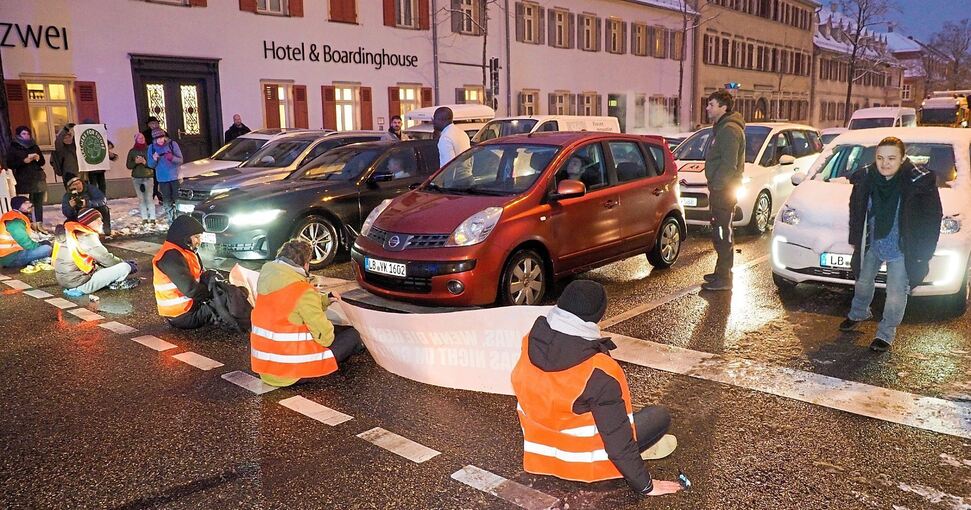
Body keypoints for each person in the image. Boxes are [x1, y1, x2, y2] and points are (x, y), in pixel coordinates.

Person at [511, 280, 682, 497]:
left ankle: (635, 456)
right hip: (583, 463)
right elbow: (617, 440)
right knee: (659, 415)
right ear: (598, 317)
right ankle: (637, 457)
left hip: (540, 452)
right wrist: (645, 485)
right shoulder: (599, 370)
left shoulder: (530, 341)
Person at [841, 137, 942, 352]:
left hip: (901, 248)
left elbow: (932, 218)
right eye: (880, 158)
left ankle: (885, 333)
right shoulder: (867, 179)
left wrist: (923, 253)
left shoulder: (918, 182)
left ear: (902, 158)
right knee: (862, 282)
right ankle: (858, 313)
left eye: (891, 158)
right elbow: (856, 210)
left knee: (895, 293)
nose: (885, 163)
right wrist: (856, 238)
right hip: (873, 243)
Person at [251, 239, 364, 387]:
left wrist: (324, 300)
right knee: (353, 335)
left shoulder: (268, 279)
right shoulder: (302, 291)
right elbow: (326, 339)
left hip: (266, 369)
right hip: (292, 372)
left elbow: (289, 306)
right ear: (305, 264)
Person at [701, 90, 745, 292]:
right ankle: (720, 272)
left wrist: (717, 185)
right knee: (719, 231)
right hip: (722, 189)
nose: (707, 108)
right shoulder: (722, 127)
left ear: (723, 107)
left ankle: (724, 277)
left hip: (724, 191)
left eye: (711, 105)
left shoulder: (729, 130)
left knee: (722, 233)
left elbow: (729, 164)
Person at [152, 215, 220, 329]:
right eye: (196, 237)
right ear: (185, 237)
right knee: (226, 302)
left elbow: (199, 276)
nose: (199, 241)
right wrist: (212, 296)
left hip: (190, 306)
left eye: (200, 237)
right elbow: (191, 290)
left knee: (217, 284)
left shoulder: (184, 251)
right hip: (183, 315)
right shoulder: (170, 257)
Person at [54, 208, 138, 296]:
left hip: (66, 279)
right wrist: (125, 264)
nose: (101, 222)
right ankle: (84, 289)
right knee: (124, 267)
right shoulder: (85, 236)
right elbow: (105, 258)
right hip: (77, 281)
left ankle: (110, 282)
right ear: (88, 222)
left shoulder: (72, 233)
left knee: (105, 268)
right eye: (97, 220)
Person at [6, 126, 47, 223]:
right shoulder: (14, 147)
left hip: (37, 179)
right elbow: (10, 163)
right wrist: (23, 161)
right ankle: (27, 223)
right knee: (24, 204)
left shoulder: (34, 146)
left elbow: (42, 162)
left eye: (28, 134)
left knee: (38, 203)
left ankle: (39, 224)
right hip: (23, 179)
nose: (26, 136)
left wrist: (38, 158)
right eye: (24, 134)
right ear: (18, 135)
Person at [0, 196, 53, 271]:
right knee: (47, 249)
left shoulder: (18, 216)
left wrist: (41, 243)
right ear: (18, 206)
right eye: (25, 203)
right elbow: (24, 242)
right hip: (10, 257)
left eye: (29, 202)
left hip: (15, 253)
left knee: (46, 243)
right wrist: (38, 245)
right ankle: (36, 260)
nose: (30, 204)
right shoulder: (14, 219)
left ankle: (34, 259)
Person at [146, 128, 184, 223]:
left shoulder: (172, 144)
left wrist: (172, 158)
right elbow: (150, 165)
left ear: (164, 137)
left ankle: (180, 219)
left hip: (175, 177)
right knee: (167, 201)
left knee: (178, 199)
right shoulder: (151, 148)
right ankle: (171, 220)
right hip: (162, 179)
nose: (160, 140)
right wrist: (154, 159)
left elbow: (180, 160)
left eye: (161, 137)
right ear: (154, 139)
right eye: (157, 138)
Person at [127, 132, 157, 225]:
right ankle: (144, 218)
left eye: (142, 138)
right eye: (139, 138)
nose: (142, 140)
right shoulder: (132, 151)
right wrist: (135, 162)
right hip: (137, 178)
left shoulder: (149, 150)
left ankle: (152, 218)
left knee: (149, 198)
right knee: (141, 199)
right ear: (136, 140)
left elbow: (153, 164)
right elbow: (128, 165)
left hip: (148, 176)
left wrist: (144, 162)